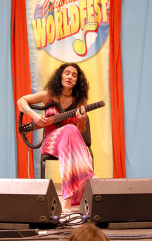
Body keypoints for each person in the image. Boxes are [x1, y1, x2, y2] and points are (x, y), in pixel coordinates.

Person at [17, 63, 95, 212]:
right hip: (50, 143)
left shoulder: (80, 102)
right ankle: (89, 178)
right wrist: (34, 115)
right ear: (61, 76)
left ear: (77, 81)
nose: (70, 77)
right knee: (73, 137)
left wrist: (82, 120)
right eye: (67, 73)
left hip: (69, 146)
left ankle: (67, 199)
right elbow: (21, 101)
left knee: (71, 130)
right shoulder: (49, 95)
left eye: (74, 75)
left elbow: (79, 131)